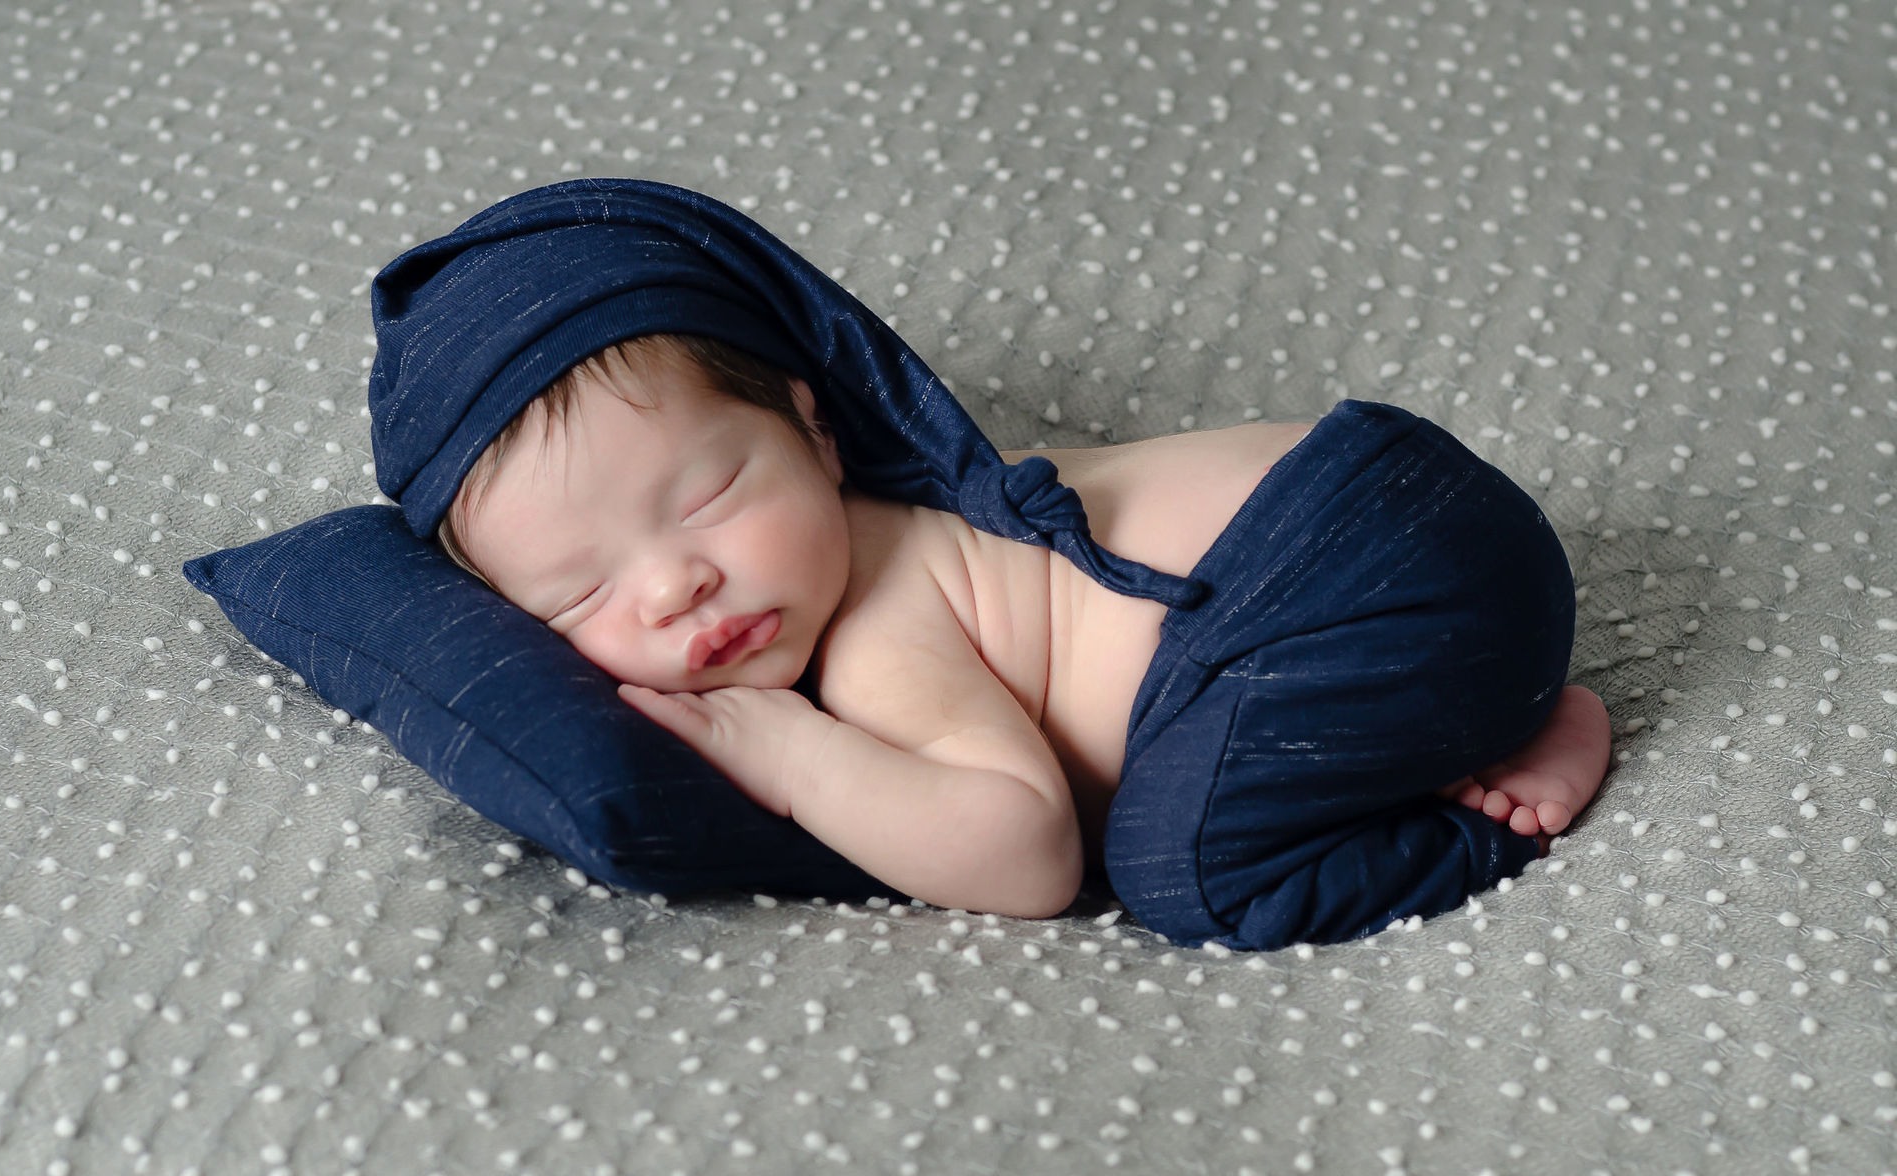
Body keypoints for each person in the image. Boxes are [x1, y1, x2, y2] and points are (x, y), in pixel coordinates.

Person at [430, 328, 1611, 926]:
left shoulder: (879, 621)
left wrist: (789, 754)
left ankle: (1483, 802)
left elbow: (1028, 857)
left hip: (1351, 588)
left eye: (703, 501)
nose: (672, 587)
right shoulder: (931, 493)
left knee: (1186, 873)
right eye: (578, 597)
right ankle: (1488, 706)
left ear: (817, 431)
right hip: (1425, 504)